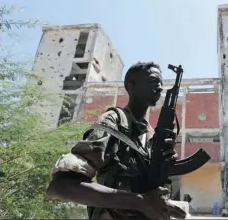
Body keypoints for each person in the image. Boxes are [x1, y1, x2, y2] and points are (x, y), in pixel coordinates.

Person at [46, 62, 186, 220]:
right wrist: (142, 202)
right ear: (130, 86)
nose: (160, 87)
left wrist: (165, 168)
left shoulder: (151, 134)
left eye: (161, 83)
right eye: (153, 81)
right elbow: (61, 186)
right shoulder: (114, 121)